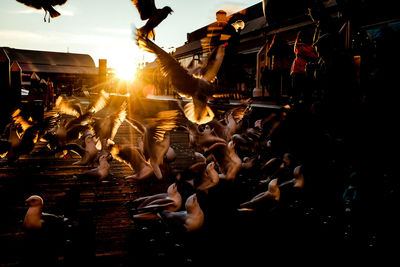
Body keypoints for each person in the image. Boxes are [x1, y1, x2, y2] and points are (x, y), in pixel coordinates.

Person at [290, 30, 319, 106]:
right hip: (303, 70)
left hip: (296, 69)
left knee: (298, 91)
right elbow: (313, 56)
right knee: (306, 91)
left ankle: (296, 106)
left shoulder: (298, 46)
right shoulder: (305, 47)